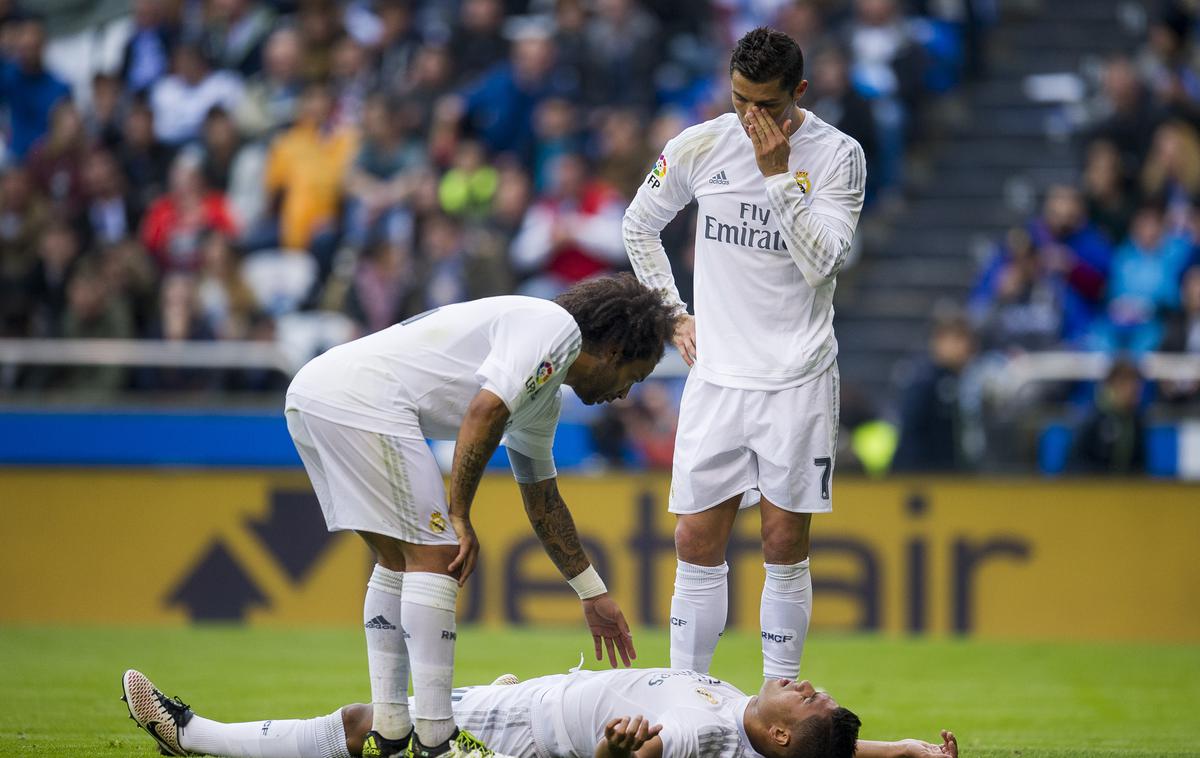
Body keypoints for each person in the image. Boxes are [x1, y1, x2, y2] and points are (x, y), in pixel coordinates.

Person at [281, 274, 676, 758]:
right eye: (632, 377)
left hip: (319, 392)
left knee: (397, 561)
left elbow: (543, 501)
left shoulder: (543, 395)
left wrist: (591, 593)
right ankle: (438, 741)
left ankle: (388, 732)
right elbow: (484, 412)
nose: (623, 395)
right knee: (440, 552)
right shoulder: (557, 328)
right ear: (615, 350)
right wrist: (459, 514)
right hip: (360, 399)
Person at [621, 27, 866, 681]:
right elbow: (637, 223)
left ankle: (777, 703)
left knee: (785, 543)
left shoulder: (840, 157)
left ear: (799, 93)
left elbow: (823, 265)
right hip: (719, 375)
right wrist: (672, 313)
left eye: (766, 104)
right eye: (739, 100)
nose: (751, 117)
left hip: (799, 375)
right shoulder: (699, 145)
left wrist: (779, 177)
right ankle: (685, 697)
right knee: (693, 539)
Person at [122, 666, 959, 758]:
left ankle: (194, 736)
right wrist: (906, 749)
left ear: (779, 732)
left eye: (807, 701)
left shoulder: (706, 734)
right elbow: (823, 755)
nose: (806, 686)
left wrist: (616, 749)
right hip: (532, 705)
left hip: (526, 731)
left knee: (367, 724)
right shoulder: (757, 730)